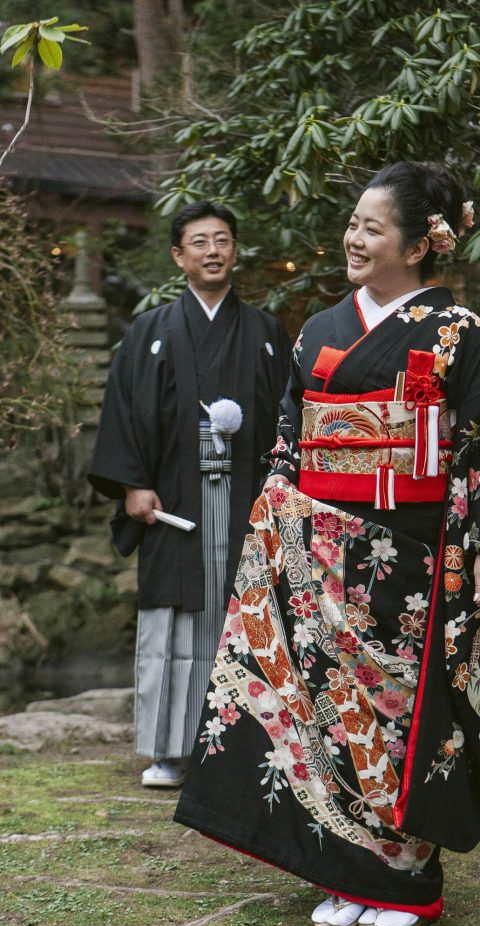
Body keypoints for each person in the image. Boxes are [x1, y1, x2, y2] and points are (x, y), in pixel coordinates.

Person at [174, 162, 480, 926]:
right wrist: (275, 500)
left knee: (400, 708)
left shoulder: (456, 333)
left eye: (371, 228)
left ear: (418, 247)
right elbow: (290, 429)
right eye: (353, 223)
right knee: (328, 706)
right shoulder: (319, 328)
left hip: (416, 552)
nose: (353, 236)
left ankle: (405, 879)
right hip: (318, 548)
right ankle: (342, 869)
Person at [89, 201, 291, 788]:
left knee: (246, 613)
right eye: (198, 241)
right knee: (173, 623)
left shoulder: (266, 334)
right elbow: (121, 413)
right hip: (172, 502)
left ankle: (241, 748)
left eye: (222, 239)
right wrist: (132, 485)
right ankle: (170, 751)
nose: (212, 250)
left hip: (246, 500)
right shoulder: (149, 332)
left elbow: (288, 418)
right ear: (179, 256)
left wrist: (281, 490)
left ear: (235, 251)